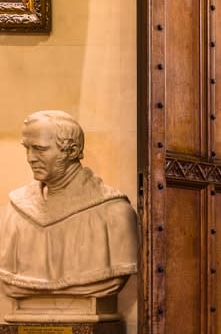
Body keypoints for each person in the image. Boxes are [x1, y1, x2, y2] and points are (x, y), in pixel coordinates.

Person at [0, 111, 138, 298]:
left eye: (39, 149)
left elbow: (110, 283)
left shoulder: (113, 213)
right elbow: (9, 285)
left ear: (72, 151)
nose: (30, 158)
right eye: (27, 148)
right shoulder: (15, 212)